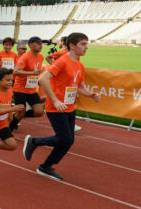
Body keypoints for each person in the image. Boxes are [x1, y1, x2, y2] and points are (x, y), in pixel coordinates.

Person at [23, 33, 100, 181]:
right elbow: (43, 79)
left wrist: (91, 95)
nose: (86, 47)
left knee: (68, 141)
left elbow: (80, 87)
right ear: (72, 45)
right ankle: (35, 142)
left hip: (69, 107)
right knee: (65, 139)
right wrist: (55, 100)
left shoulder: (80, 65)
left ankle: (45, 166)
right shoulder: (62, 61)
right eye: (83, 44)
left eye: (87, 43)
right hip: (56, 108)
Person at [10, 36, 45, 131]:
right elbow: (16, 72)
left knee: (39, 111)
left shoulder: (41, 57)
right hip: (20, 89)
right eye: (38, 43)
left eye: (41, 44)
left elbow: (35, 71)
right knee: (21, 111)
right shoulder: (25, 57)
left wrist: (37, 79)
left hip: (31, 89)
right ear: (31, 45)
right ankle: (10, 127)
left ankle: (16, 116)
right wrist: (32, 73)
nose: (40, 46)